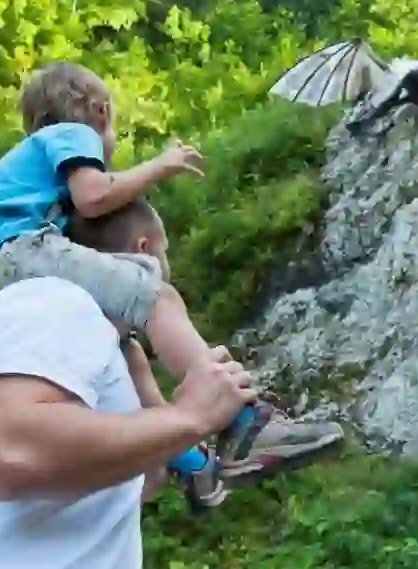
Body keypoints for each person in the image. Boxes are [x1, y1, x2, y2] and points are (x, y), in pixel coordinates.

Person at [0, 61, 341, 504]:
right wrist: (161, 165)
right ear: (100, 112)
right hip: (12, 251)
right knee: (155, 294)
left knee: (127, 349)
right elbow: (95, 196)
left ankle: (191, 463)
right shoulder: (72, 134)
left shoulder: (35, 174)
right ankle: (244, 421)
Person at [0, 275, 255, 569]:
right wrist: (190, 415)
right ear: (142, 252)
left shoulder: (98, 351)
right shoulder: (54, 298)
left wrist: (158, 408)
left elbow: (146, 481)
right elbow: (14, 451)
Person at [65, 196, 346, 510]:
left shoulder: (102, 334)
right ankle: (245, 422)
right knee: (160, 304)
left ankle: (196, 466)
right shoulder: (123, 299)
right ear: (142, 249)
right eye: (165, 251)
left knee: (140, 375)